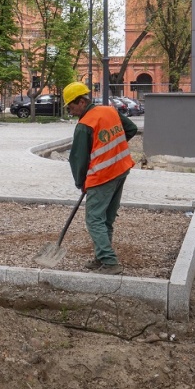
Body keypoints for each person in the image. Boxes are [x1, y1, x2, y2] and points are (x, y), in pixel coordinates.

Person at [63, 81, 139, 274]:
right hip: (121, 169)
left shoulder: (84, 125)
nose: (70, 112)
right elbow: (130, 129)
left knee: (94, 218)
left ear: (81, 101)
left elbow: (78, 159)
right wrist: (113, 149)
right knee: (106, 218)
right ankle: (101, 257)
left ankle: (109, 261)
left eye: (71, 107)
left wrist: (81, 182)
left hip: (103, 175)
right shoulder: (110, 111)